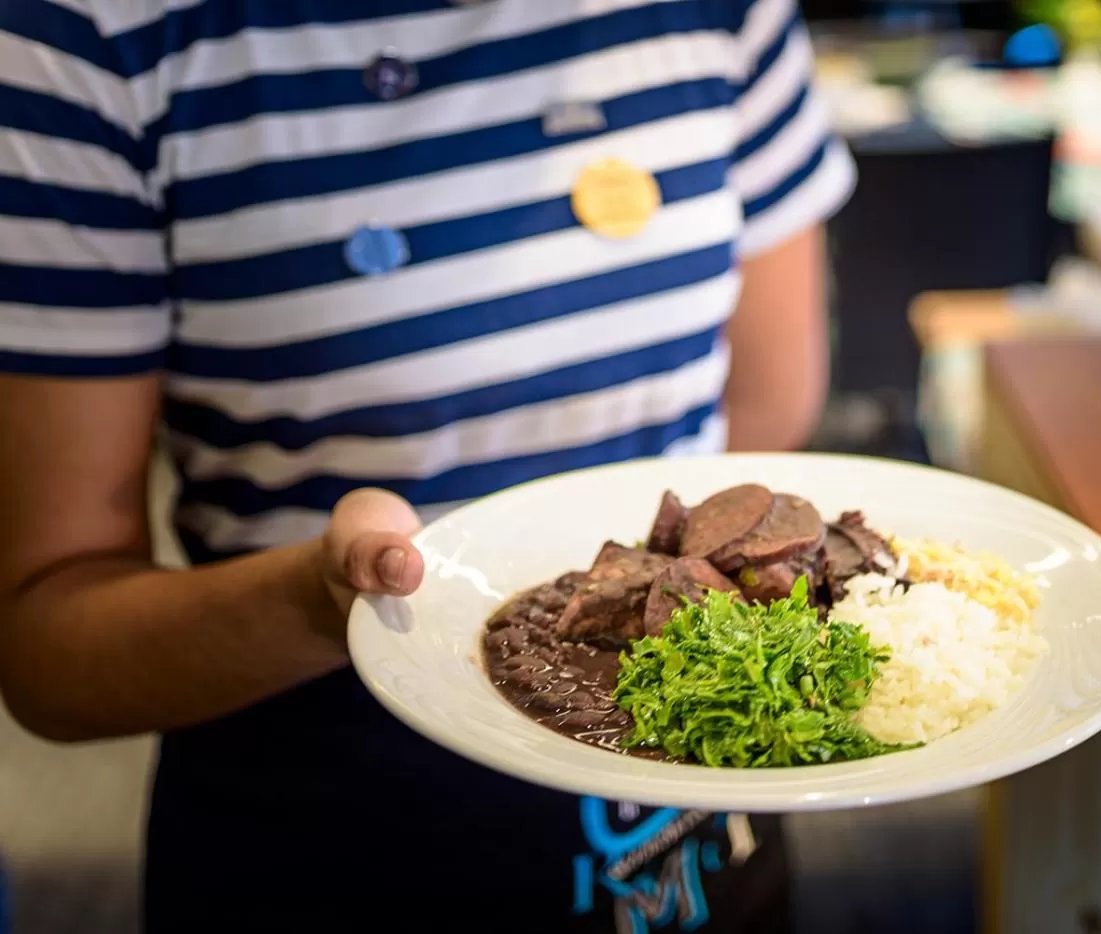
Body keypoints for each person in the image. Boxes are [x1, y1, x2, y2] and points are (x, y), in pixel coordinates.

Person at [0, 1, 852, 930]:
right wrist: (321, 600)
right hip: (328, 837)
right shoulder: (96, 40)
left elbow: (770, 409)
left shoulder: (722, 16)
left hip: (694, 828)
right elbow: (49, 647)